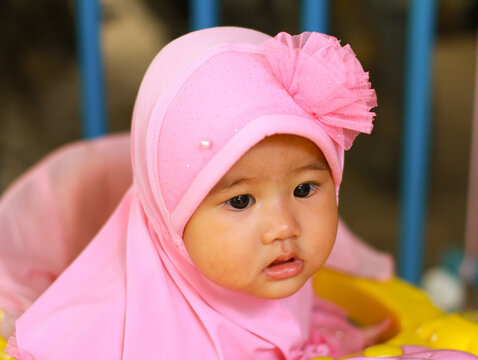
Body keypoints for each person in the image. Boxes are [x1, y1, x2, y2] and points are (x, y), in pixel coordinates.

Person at [4, 26, 393, 359]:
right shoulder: (111, 336)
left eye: (304, 189)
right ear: (171, 217)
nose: (284, 227)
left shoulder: (282, 277)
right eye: (241, 201)